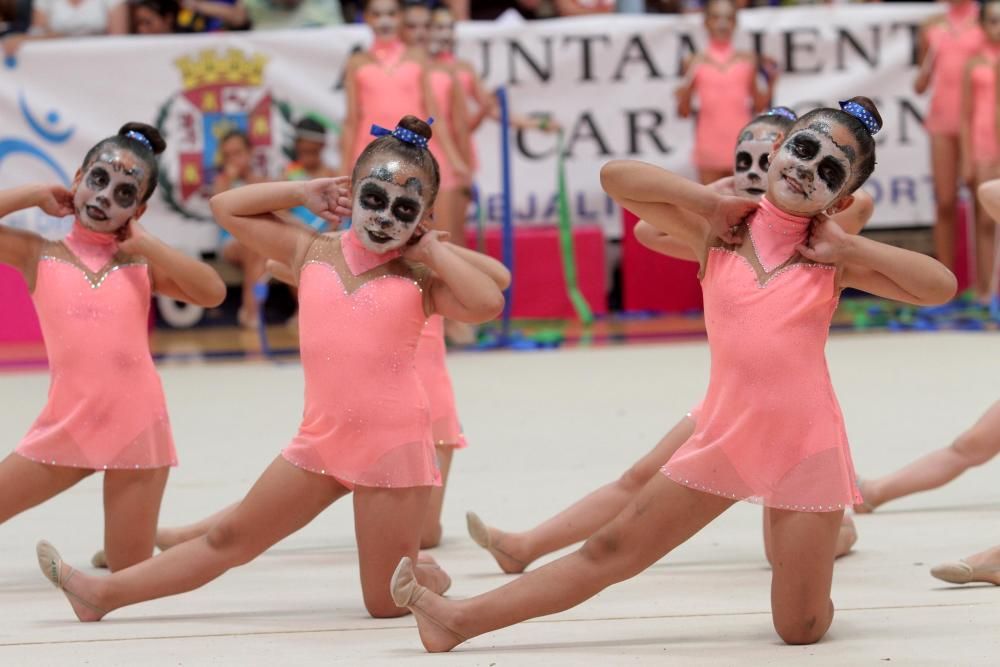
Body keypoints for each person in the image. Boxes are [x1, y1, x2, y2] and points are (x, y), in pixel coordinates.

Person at [390, 98, 958, 650]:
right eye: (804, 150)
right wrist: (705, 203)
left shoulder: (831, 257)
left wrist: (848, 245)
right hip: (728, 434)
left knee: (799, 627)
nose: (808, 170)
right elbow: (617, 177)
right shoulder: (719, 231)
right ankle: (458, 619)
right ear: (781, 145)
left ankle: (826, 555)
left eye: (829, 171)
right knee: (612, 550)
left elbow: (940, 287)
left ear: (842, 197)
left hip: (806, 446)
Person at [35, 115, 506, 623]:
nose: (385, 218)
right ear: (350, 193)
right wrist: (302, 191)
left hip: (394, 450)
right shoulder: (310, 250)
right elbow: (225, 207)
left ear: (422, 216)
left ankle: (421, 570)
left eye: (405, 209)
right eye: (373, 199)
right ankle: (101, 596)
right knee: (230, 537)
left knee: (383, 605)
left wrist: (431, 245)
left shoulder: (417, 277)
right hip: (322, 440)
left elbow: (487, 303)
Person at [466, 107, 872, 575]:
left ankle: (833, 533)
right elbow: (646, 230)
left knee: (781, 553)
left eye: (768, 160)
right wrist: (706, 199)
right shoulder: (727, 232)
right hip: (730, 402)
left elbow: (861, 206)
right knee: (640, 476)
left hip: (790, 412)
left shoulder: (822, 237)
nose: (756, 173)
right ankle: (524, 545)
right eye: (745, 162)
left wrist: (804, 210)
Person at [0, 123, 225, 573]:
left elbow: (213, 291)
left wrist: (149, 244)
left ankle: (145, 540)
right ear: (78, 179)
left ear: (138, 209)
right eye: (99, 180)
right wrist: (30, 194)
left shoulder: (140, 262)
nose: (106, 197)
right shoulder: (39, 254)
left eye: (125, 194)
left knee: (129, 571)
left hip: (137, 431)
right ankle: (159, 535)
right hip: (68, 424)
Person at [916, 0, 984, 274]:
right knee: (945, 202)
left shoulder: (985, 22)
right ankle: (945, 280)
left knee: (983, 203)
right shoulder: (932, 27)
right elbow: (921, 85)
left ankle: (985, 285)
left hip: (978, 123)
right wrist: (927, 60)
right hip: (942, 121)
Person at [675, 0, 776, 184]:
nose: (722, 23)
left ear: (735, 23)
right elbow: (684, 112)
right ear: (706, 22)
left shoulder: (748, 60)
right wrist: (683, 95)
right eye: (715, 17)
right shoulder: (694, 61)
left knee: (744, 207)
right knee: (709, 208)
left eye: (728, 18)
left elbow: (760, 106)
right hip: (708, 148)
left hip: (742, 145)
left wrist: (772, 83)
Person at [960, 0, 1000, 302]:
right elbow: (965, 115)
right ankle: (986, 289)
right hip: (983, 143)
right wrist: (967, 158)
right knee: (986, 218)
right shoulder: (974, 64)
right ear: (983, 24)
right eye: (993, 21)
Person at [213, 129, 269, 328]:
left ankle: (250, 311)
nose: (233, 160)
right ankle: (252, 311)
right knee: (254, 247)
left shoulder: (261, 181)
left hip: (258, 243)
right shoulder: (222, 182)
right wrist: (229, 180)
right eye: (227, 155)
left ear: (250, 153)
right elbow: (220, 215)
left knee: (258, 247)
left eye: (237, 153)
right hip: (230, 241)